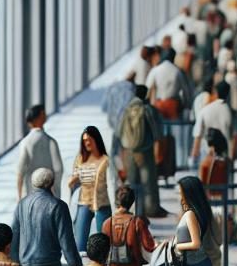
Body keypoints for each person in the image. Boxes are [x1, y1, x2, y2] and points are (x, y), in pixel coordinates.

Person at [11, 167, 82, 266]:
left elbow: (14, 236)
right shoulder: (57, 206)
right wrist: (75, 264)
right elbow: (66, 240)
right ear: (52, 182)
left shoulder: (22, 204)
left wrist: (14, 263)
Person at [116, 85, 165, 219]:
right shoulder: (148, 109)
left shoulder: (126, 110)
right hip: (145, 151)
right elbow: (158, 132)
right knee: (148, 182)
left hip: (129, 151)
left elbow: (119, 132)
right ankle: (151, 210)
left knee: (132, 183)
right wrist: (157, 147)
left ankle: (133, 211)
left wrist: (123, 150)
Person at [68, 126, 111, 254]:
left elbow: (112, 182)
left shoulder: (105, 160)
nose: (87, 143)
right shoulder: (80, 159)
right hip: (84, 201)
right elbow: (75, 177)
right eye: (84, 140)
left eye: (90, 140)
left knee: (103, 242)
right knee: (80, 243)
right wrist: (72, 181)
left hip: (102, 203)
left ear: (96, 140)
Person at [15, 104, 64, 200]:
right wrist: (56, 191)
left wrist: (19, 196)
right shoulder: (51, 141)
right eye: (43, 113)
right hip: (49, 194)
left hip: (30, 193)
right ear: (40, 116)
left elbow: (20, 172)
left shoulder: (25, 142)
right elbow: (58, 168)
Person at [190, 80, 236, 165]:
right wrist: (231, 157)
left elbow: (197, 134)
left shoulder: (205, 110)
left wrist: (194, 154)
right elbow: (233, 137)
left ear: (215, 92)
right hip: (224, 157)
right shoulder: (230, 113)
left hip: (206, 153)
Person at [147, 47, 192, 120]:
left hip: (159, 104)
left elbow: (147, 88)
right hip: (173, 105)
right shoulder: (177, 71)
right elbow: (185, 91)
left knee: (160, 127)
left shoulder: (155, 70)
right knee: (174, 127)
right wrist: (187, 105)